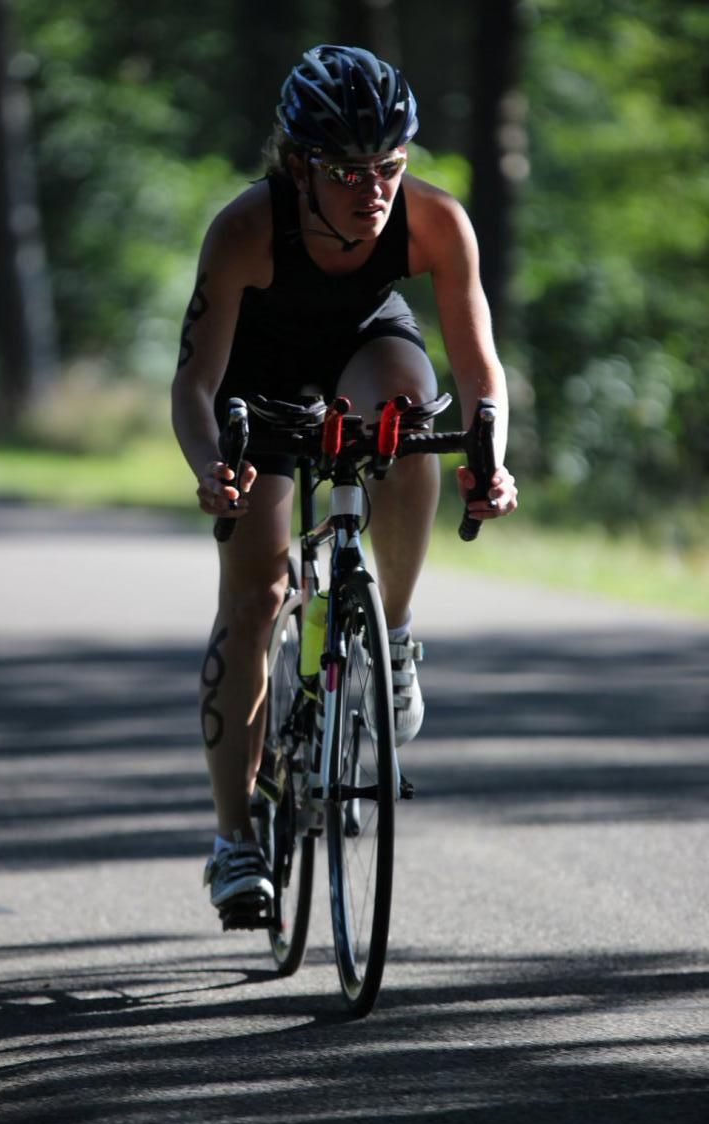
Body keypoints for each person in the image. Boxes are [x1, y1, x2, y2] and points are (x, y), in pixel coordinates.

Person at [171, 44, 518, 915]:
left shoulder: (435, 220)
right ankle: (234, 840)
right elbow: (195, 385)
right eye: (346, 172)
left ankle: (391, 632)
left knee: (409, 412)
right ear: (298, 167)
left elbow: (480, 375)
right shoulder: (246, 229)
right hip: (260, 375)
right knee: (256, 596)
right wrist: (211, 465)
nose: (373, 191)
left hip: (365, 344)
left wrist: (491, 458)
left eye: (389, 167)